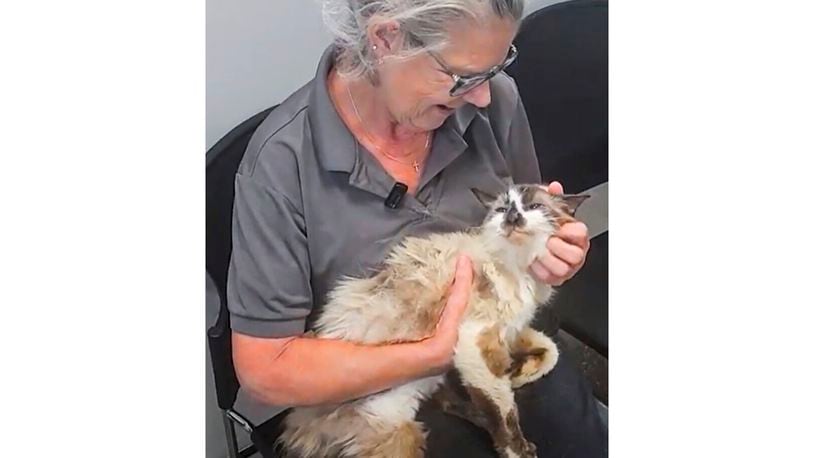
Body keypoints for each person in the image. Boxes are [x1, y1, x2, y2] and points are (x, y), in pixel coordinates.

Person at [226, 0, 607, 456]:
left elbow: (528, 223)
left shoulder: (494, 96)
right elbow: (267, 368)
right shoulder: (280, 166)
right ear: (386, 39)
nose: (484, 96)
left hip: (501, 340)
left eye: (496, 66)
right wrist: (431, 353)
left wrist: (551, 257)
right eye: (462, 76)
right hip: (377, 390)